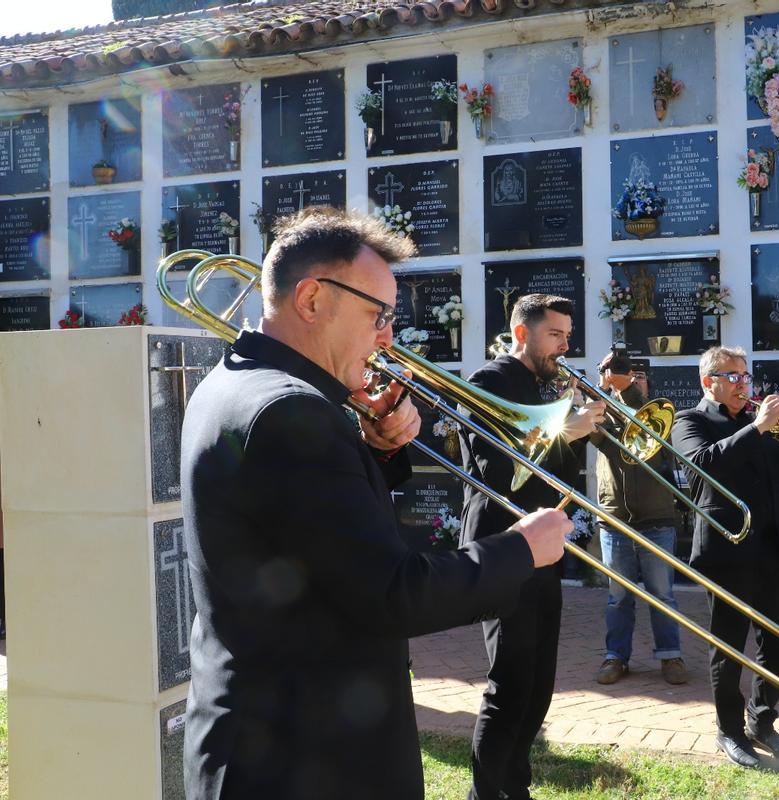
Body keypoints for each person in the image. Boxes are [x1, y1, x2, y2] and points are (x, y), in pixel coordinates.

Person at [180, 208, 574, 800]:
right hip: (304, 757)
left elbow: (308, 540)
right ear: (311, 299)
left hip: (265, 736)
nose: (388, 337)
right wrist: (520, 550)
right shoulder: (292, 412)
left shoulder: (238, 381)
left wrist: (375, 452)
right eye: (377, 314)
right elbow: (391, 594)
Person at [459, 294, 607, 800]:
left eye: (568, 334)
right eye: (556, 335)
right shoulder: (488, 383)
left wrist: (585, 429)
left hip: (544, 546)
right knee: (510, 683)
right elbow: (497, 472)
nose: (565, 346)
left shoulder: (550, 384)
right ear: (522, 334)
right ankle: (485, 793)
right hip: (503, 546)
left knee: (540, 681)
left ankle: (513, 785)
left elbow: (557, 475)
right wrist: (567, 426)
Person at [671, 345, 779, 768]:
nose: (743, 384)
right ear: (709, 381)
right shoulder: (688, 420)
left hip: (771, 544)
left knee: (777, 640)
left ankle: (761, 720)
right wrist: (759, 428)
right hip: (726, 548)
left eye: (746, 376)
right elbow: (702, 466)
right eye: (734, 376)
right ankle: (728, 731)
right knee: (727, 646)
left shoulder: (753, 421)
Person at [591, 352, 686, 687]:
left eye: (639, 375)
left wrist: (627, 389)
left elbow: (650, 439)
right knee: (618, 596)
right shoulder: (600, 412)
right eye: (624, 373)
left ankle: (670, 654)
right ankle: (616, 656)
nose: (632, 378)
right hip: (614, 518)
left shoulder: (660, 412)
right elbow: (595, 435)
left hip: (657, 518)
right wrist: (604, 388)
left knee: (662, 594)